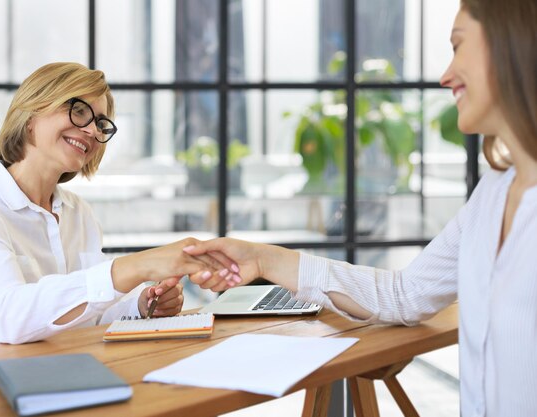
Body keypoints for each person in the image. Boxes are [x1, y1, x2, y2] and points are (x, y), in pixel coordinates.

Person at [184, 1, 537, 415]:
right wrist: (263, 259)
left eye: (458, 47)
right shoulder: (493, 193)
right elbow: (405, 294)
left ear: (512, 45)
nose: (445, 75)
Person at [0, 62, 233, 350]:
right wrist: (136, 266)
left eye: (100, 123)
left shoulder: (78, 212)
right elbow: (9, 317)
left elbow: (88, 313)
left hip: (61, 371)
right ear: (31, 116)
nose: (93, 131)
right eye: (79, 111)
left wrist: (142, 304)